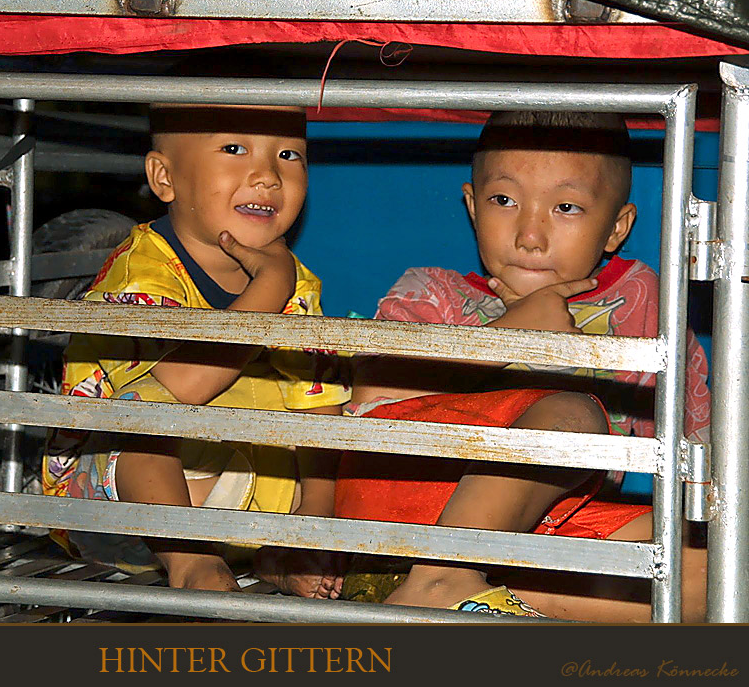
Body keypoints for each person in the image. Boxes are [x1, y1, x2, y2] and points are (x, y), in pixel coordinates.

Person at [335, 111, 709, 621]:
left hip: (549, 535)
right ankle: (440, 578)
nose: (530, 235)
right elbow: (371, 398)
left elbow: (698, 452)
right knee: (574, 419)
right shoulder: (433, 292)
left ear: (616, 227)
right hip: (408, 525)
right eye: (504, 201)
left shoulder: (645, 301)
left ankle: (489, 602)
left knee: (710, 570)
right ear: (472, 206)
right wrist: (511, 338)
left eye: (566, 207)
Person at [41, 101, 351, 599]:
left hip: (245, 491)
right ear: (165, 178)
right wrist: (269, 289)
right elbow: (178, 390)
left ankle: (274, 558)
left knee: (323, 451)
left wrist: (313, 521)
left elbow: (320, 410)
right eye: (234, 149)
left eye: (290, 155)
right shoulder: (140, 275)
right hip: (123, 506)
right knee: (140, 434)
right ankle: (192, 562)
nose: (268, 176)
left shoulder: (299, 284)